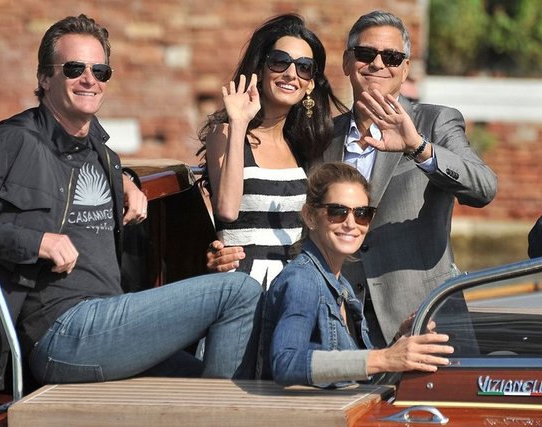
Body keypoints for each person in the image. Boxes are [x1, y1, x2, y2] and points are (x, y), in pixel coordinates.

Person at [0, 14, 262, 391]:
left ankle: (215, 408)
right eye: (74, 68)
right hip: (60, 332)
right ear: (45, 78)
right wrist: (34, 242)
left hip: (107, 325)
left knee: (196, 381)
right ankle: (218, 413)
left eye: (100, 71)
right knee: (238, 291)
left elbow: (75, 175)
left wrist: (128, 181)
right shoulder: (12, 142)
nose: (89, 79)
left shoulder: (102, 155)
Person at [209, 10, 497, 348]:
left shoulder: (434, 123)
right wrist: (217, 251)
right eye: (365, 54)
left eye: (391, 57)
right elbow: (280, 209)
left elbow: (483, 187)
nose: (377, 64)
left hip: (423, 317)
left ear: (405, 68)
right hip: (339, 325)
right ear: (347, 62)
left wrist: (418, 148)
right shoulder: (320, 137)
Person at [262, 162, 453, 387]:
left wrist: (398, 345)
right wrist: (383, 358)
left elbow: (358, 377)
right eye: (337, 212)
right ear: (310, 216)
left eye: (362, 214)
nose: (351, 224)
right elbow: (286, 363)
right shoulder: (302, 280)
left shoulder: (341, 285)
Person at [198, 14, 346, 289]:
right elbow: (227, 211)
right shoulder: (226, 133)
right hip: (242, 285)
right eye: (280, 61)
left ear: (310, 84)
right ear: (261, 69)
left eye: (304, 67)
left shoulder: (306, 145)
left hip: (293, 287)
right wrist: (240, 122)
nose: (291, 73)